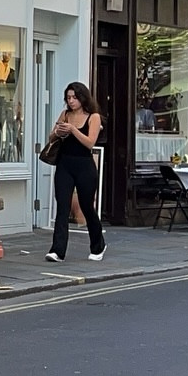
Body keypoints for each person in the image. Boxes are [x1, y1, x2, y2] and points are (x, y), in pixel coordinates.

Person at [45, 81, 104, 263]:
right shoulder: (65, 114)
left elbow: (89, 142)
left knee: (87, 207)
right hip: (64, 164)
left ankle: (98, 244)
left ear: (82, 98)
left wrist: (73, 130)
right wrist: (59, 132)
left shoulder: (93, 117)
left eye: (74, 97)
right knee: (62, 206)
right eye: (68, 98)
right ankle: (57, 250)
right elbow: (51, 136)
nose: (71, 101)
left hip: (84, 166)